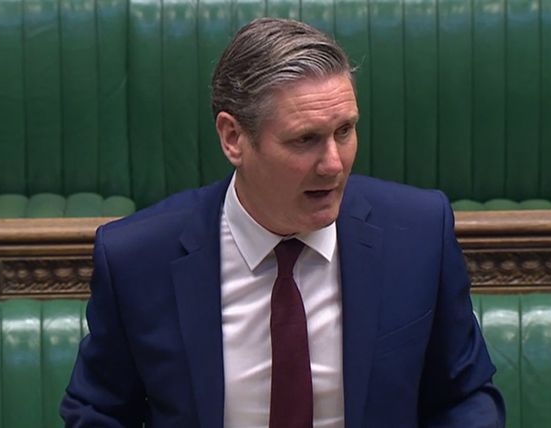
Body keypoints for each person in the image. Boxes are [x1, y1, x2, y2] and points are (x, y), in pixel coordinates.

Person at [61, 17, 504, 428]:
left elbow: (463, 397)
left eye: (345, 131)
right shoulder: (137, 259)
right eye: (305, 139)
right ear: (233, 138)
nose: (333, 164)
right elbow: (98, 411)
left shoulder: (420, 232)